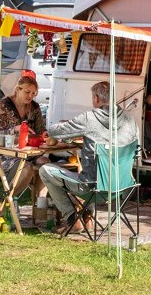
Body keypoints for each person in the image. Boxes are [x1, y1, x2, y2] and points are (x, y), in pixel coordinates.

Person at [41, 81, 140, 234]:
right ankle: (87, 218)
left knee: (45, 170)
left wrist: (57, 128)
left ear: (96, 98)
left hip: (92, 188)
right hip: (122, 186)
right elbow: (137, 152)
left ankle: (72, 219)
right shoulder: (130, 120)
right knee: (91, 168)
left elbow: (56, 131)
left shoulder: (89, 118)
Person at [0, 71, 49, 197]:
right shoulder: (2, 105)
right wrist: (15, 129)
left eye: (33, 93)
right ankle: (7, 201)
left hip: (29, 152)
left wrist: (45, 134)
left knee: (45, 163)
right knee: (27, 168)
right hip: (5, 154)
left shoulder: (34, 107)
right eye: (27, 92)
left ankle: (41, 203)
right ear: (18, 89)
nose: (30, 96)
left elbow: (40, 130)